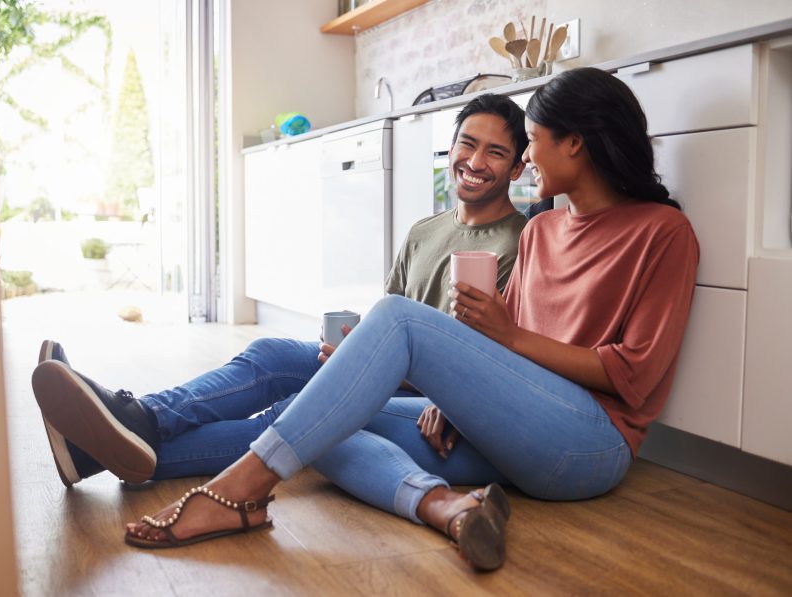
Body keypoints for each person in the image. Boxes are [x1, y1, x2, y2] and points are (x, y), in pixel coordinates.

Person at [103, 67, 700, 571]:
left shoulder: (661, 232)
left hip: (589, 445)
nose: (528, 155)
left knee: (396, 321)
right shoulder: (545, 229)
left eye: (532, 139)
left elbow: (633, 375)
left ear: (575, 143)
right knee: (324, 416)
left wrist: (496, 349)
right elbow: (498, 348)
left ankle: (239, 492)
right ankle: (443, 507)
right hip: (515, 427)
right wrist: (464, 392)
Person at [32, 93, 529, 489]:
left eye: (496, 152)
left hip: (431, 391)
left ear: (518, 168)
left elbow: (487, 360)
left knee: (293, 409)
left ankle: (114, 448)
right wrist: (352, 344)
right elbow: (392, 312)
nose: (475, 160)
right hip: (389, 366)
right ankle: (142, 417)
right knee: (269, 353)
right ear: (452, 145)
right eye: (468, 143)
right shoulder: (426, 229)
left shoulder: (519, 243)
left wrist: (431, 389)